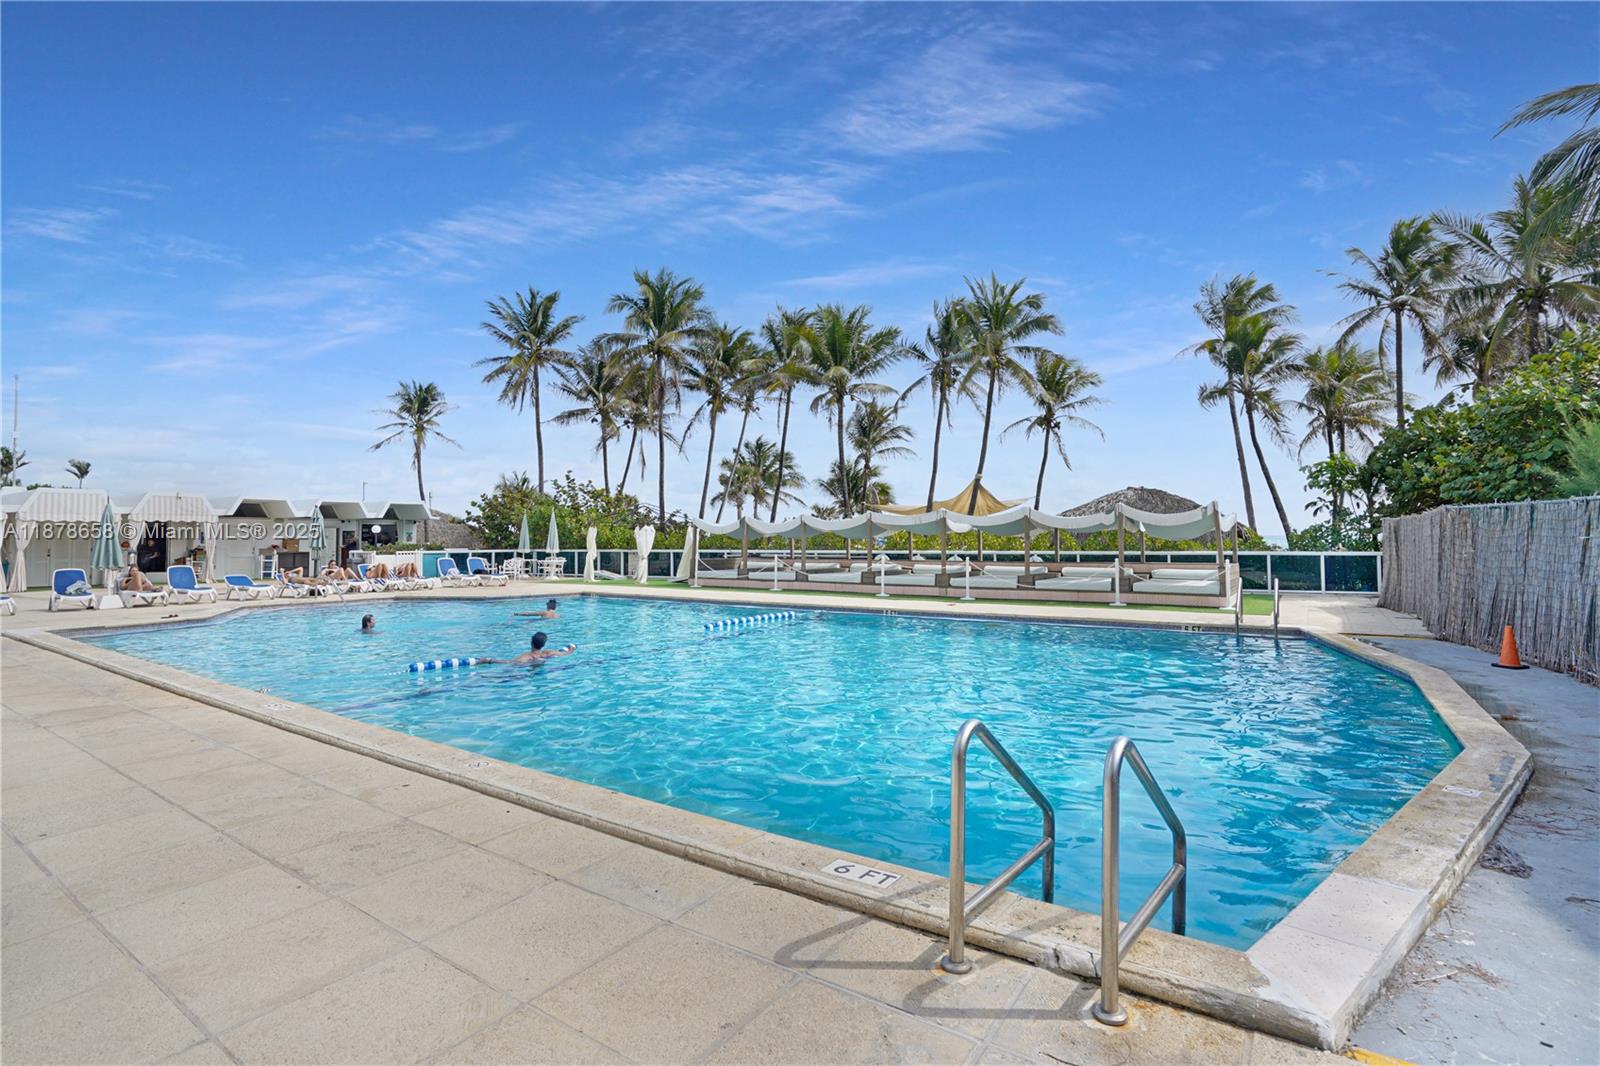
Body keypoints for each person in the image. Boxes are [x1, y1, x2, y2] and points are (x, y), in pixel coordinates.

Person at [483, 631, 575, 665]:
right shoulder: (549, 653)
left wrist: (490, 660)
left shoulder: (526, 656)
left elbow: (509, 662)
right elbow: (566, 653)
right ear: (544, 644)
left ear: (531, 643)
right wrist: (571, 648)